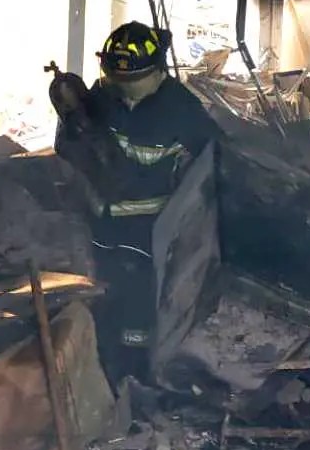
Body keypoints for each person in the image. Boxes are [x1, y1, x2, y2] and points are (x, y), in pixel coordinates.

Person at [52, 21, 218, 383]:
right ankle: (98, 368)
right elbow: (70, 148)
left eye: (132, 83)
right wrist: (71, 120)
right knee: (99, 301)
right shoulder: (102, 98)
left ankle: (137, 379)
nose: (124, 91)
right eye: (116, 79)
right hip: (101, 227)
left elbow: (209, 174)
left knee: (140, 311)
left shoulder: (184, 113)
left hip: (152, 232)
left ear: (159, 71)